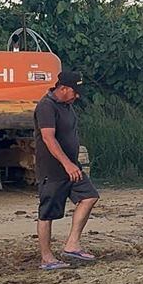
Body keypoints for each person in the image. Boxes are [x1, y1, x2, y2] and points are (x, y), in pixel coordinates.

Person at [34, 71, 100, 270]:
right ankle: (46, 258)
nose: (77, 96)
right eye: (75, 91)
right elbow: (48, 138)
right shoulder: (46, 107)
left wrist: (73, 162)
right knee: (47, 213)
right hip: (53, 169)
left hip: (71, 166)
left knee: (89, 196)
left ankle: (72, 245)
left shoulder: (67, 106)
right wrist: (67, 164)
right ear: (63, 88)